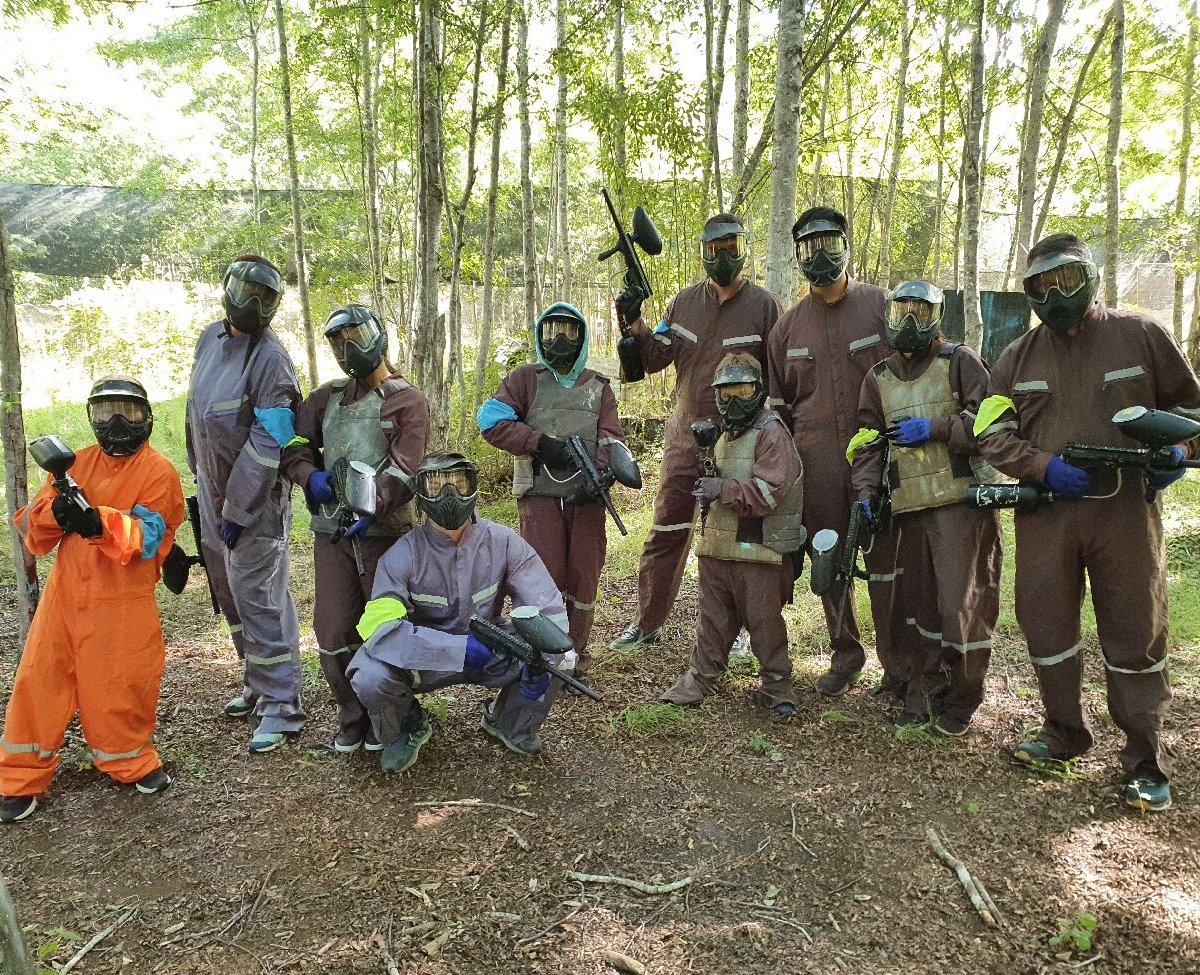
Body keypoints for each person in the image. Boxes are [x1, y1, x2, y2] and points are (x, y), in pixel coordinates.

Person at [976, 233, 1200, 812]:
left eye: (1065, 280)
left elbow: (1191, 410)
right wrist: (1041, 466)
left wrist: (1177, 450)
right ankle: (1063, 731)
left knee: (1134, 630)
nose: (1054, 295)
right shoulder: (1015, 357)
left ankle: (1145, 758)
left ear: (1090, 277)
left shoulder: (1142, 335)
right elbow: (990, 431)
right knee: (1046, 625)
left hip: (1125, 512)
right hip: (1048, 515)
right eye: (1040, 287)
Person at [1, 378, 185, 824]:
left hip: (122, 600)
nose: (117, 422)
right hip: (65, 596)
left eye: (128, 411)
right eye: (105, 412)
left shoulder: (158, 472)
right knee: (40, 680)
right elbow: (34, 530)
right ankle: (19, 776)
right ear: (90, 416)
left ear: (147, 417)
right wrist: (56, 514)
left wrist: (96, 522)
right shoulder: (74, 463)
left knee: (120, 683)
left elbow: (147, 539)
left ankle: (128, 760)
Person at [610, 213, 781, 651]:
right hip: (685, 438)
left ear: (744, 249)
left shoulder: (764, 307)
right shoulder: (683, 303)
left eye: (731, 248)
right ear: (702, 252)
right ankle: (648, 623)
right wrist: (633, 323)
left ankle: (744, 631)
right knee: (666, 531)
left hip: (740, 442)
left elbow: (777, 377)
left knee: (740, 537)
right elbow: (652, 359)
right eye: (713, 249)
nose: (722, 257)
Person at [347, 453, 570, 773]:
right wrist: (457, 650)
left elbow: (547, 609)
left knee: (556, 651)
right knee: (369, 672)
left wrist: (539, 661)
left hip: (493, 650)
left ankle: (511, 721)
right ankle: (406, 725)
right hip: (426, 657)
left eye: (459, 484)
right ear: (421, 493)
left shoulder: (504, 542)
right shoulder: (400, 556)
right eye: (437, 486)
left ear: (474, 489)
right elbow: (382, 629)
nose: (449, 495)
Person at [849, 281, 1002, 736]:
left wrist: (937, 428)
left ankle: (961, 699)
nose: (909, 323)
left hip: (961, 506)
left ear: (937, 316)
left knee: (962, 606)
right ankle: (921, 689)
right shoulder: (877, 377)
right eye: (901, 312)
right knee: (915, 610)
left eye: (920, 312)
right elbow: (866, 443)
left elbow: (993, 424)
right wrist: (865, 492)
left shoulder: (960, 362)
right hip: (908, 508)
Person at [280, 305, 429, 753]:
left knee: (386, 628)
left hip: (385, 536)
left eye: (356, 336)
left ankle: (400, 718)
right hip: (332, 534)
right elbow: (295, 445)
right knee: (333, 631)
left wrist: (373, 506)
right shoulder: (325, 398)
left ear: (379, 336)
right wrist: (311, 477)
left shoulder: (406, 400)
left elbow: (407, 468)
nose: (349, 349)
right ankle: (353, 717)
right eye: (339, 341)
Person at [767, 206, 892, 698]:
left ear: (846, 245)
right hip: (814, 461)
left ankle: (899, 666)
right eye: (809, 248)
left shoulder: (882, 306)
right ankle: (846, 653)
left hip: (880, 451)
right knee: (830, 557)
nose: (820, 257)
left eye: (830, 244)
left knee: (888, 561)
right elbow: (777, 407)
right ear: (799, 255)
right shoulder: (788, 328)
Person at [185, 253, 306, 754]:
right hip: (212, 492)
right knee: (229, 593)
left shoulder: (272, 360)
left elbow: (270, 439)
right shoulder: (211, 338)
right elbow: (197, 411)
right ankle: (256, 683)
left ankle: (282, 705)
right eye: (248, 292)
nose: (254, 305)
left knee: (260, 598)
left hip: (254, 500)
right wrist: (205, 485)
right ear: (228, 287)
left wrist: (239, 506)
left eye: (266, 299)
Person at [478, 302, 635, 687]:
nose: (560, 341)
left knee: (584, 576)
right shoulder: (525, 379)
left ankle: (577, 651)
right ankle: (547, 653)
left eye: (569, 331)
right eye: (551, 332)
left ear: (581, 337)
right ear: (540, 336)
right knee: (542, 575)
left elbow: (612, 437)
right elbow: (490, 420)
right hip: (540, 495)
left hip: (587, 498)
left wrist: (601, 474)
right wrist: (540, 443)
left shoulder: (598, 386)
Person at [660, 354, 804, 715]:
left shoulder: (772, 434)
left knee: (764, 622)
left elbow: (770, 493)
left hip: (758, 550)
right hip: (717, 548)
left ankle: (777, 686)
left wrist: (721, 489)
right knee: (711, 618)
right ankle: (702, 676)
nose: (734, 401)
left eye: (742, 390)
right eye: (726, 393)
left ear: (758, 390)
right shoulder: (720, 433)